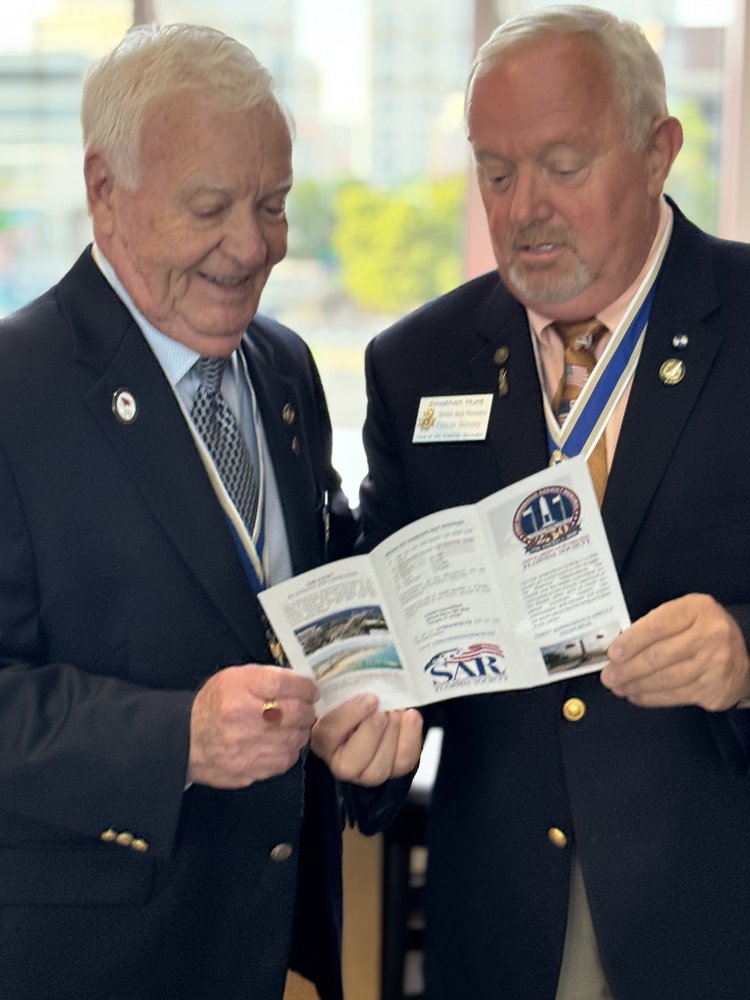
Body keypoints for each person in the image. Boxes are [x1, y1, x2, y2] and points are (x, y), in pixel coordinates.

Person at [312, 5, 750, 999]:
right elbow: (397, 629)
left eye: (562, 164)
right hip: (502, 926)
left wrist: (743, 654)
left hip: (718, 915)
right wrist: (367, 728)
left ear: (659, 151)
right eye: (497, 172)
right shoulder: (416, 364)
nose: (524, 209)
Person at [0, 22, 356, 1000]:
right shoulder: (14, 391)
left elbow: (301, 599)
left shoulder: (285, 367)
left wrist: (371, 698)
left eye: (274, 204)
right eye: (210, 208)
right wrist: (177, 738)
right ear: (104, 191)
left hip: (274, 949)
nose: (252, 246)